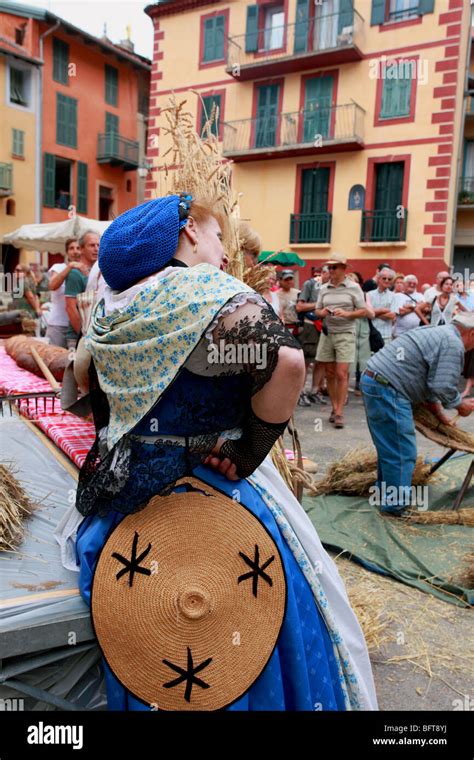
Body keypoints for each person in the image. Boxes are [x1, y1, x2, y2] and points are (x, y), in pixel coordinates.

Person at [59, 194, 376, 711]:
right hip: (215, 503)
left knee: (157, 653)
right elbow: (290, 364)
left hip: (122, 509)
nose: (225, 254)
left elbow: (80, 382)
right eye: (213, 236)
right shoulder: (204, 290)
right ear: (186, 231)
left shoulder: (113, 303)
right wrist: (247, 448)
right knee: (232, 644)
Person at [360, 313, 474, 515]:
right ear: (472, 333)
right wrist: (460, 405)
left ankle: (384, 494)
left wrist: (441, 417)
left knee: (389, 447)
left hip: (375, 380)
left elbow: (430, 386)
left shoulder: (440, 332)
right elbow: (442, 387)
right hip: (388, 388)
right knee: (402, 451)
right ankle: (395, 507)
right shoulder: (453, 345)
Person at [314, 254, 369, 428]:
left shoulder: (354, 288)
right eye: (329, 267)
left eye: (334, 267)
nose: (330, 270)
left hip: (346, 333)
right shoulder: (324, 288)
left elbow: (363, 311)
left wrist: (347, 314)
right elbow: (317, 310)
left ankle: (339, 412)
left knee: (341, 373)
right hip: (328, 332)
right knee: (329, 373)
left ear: (344, 269)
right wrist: (323, 313)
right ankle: (334, 407)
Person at [46, 238, 88, 348]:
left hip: (77, 326)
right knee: (53, 360)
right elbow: (52, 285)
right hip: (57, 324)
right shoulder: (58, 267)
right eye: (71, 248)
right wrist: (70, 267)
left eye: (78, 248)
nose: (75, 251)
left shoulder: (86, 269)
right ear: (66, 252)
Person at [296, 268, 327, 405]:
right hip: (311, 326)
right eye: (329, 272)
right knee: (306, 361)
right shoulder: (310, 284)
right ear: (324, 273)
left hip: (326, 327)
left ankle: (315, 391)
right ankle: (300, 393)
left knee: (321, 361)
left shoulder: (333, 287)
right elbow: (300, 307)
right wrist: (319, 305)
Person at [64, 231, 100, 349]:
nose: (96, 249)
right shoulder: (75, 273)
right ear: (82, 249)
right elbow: (71, 308)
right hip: (77, 337)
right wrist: (83, 335)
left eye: (98, 245)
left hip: (93, 336)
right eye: (92, 245)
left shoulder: (98, 271)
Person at [347, 272, 374, 395]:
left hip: (362, 331)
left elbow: (371, 314)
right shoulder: (343, 295)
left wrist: (359, 300)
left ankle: (361, 386)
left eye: (355, 282)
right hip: (348, 330)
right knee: (347, 361)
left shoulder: (364, 295)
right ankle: (344, 389)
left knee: (363, 360)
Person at [368, 268, 397, 345]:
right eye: (384, 278)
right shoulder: (369, 295)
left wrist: (374, 313)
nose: (387, 280)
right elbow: (367, 313)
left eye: (389, 279)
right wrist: (383, 310)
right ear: (378, 279)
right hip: (371, 334)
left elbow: (392, 316)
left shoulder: (393, 296)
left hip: (386, 335)